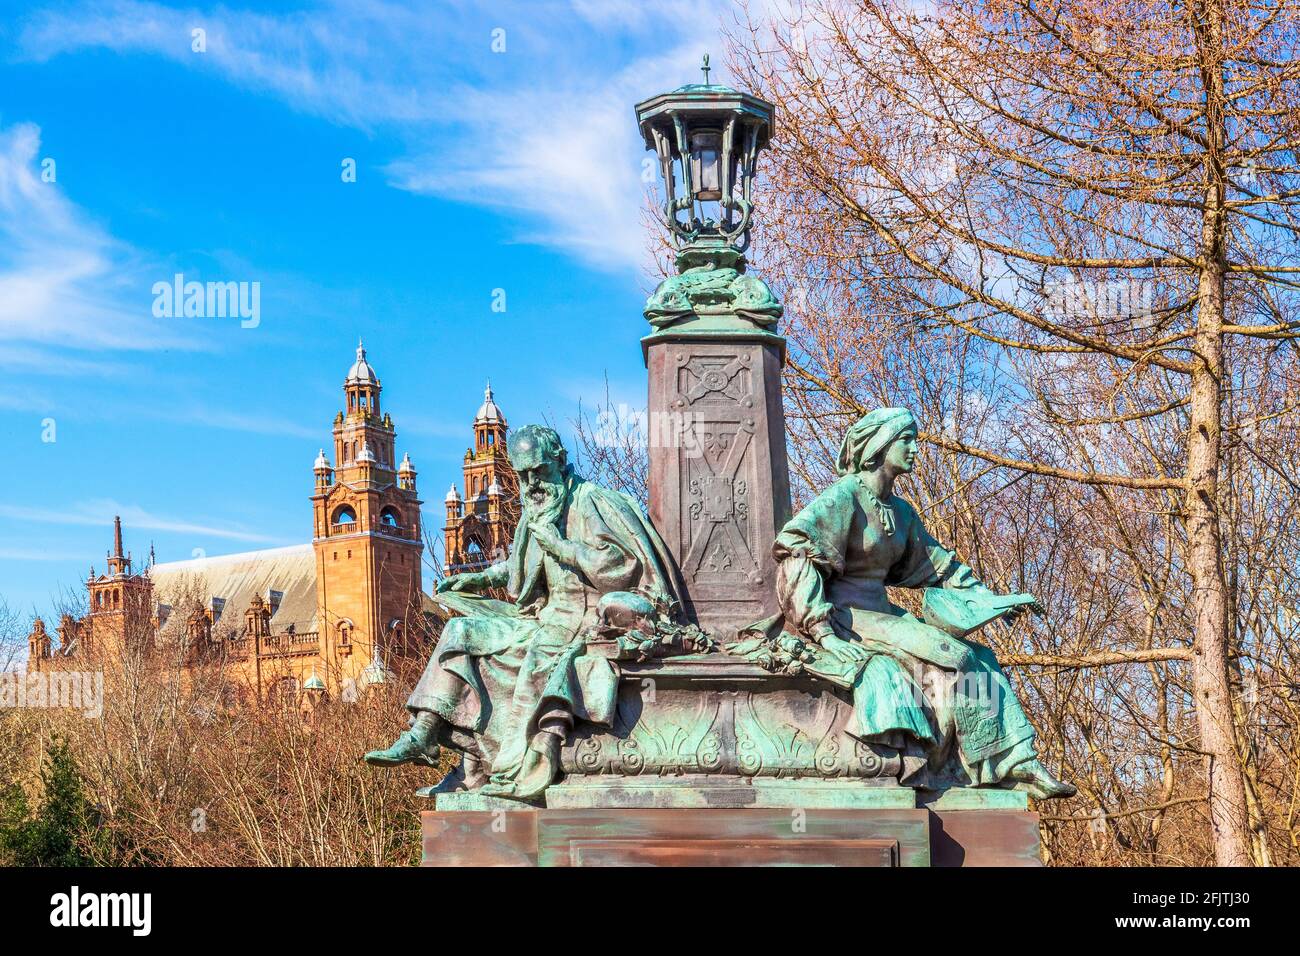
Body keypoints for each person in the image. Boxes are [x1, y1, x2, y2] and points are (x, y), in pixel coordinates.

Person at [744, 407, 1075, 799]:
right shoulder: (844, 497)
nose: (916, 448)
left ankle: (1018, 762)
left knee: (980, 655)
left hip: (883, 614)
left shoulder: (901, 512)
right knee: (953, 656)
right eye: (907, 440)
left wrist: (995, 600)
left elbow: (941, 566)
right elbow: (795, 551)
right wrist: (822, 632)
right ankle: (968, 767)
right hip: (848, 617)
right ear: (880, 447)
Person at [364, 424, 682, 801]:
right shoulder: (536, 509)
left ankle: (504, 769)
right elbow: (517, 567)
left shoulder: (593, 501)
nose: (531, 482)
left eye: (539, 470)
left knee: (533, 663)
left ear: (560, 462)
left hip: (586, 620)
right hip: (542, 617)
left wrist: (562, 547)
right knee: (459, 632)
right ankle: (423, 733)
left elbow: (622, 566)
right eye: (523, 474)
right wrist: (475, 580)